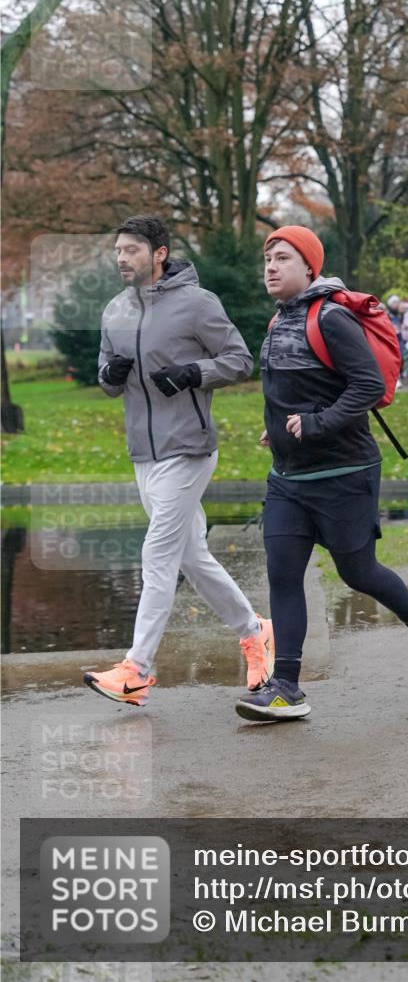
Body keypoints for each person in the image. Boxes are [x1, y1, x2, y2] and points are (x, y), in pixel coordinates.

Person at [235, 226, 408, 721]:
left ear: (309, 267)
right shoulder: (277, 322)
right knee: (283, 573)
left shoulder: (330, 318)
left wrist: (314, 424)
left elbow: (367, 387)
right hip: (289, 477)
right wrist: (276, 428)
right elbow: (291, 389)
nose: (270, 266)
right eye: (267, 258)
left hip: (344, 473)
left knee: (359, 574)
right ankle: (285, 687)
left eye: (283, 258)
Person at [84, 215, 275, 707]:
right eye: (118, 250)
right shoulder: (115, 310)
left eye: (131, 250)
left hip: (189, 448)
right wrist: (109, 372)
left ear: (159, 253)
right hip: (142, 453)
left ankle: (137, 669)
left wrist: (194, 372)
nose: (122, 258)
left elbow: (238, 359)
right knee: (192, 555)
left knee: (158, 553)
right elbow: (105, 382)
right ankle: (256, 632)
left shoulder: (197, 303)